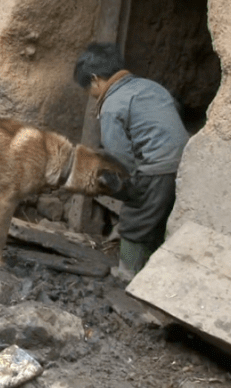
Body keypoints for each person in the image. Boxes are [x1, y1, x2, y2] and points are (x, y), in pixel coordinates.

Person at [73, 42, 191, 282]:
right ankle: (149, 265)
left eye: (88, 90)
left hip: (156, 167)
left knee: (134, 220)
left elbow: (119, 155)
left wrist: (126, 183)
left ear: (95, 80)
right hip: (185, 164)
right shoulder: (149, 87)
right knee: (157, 218)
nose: (90, 95)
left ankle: (127, 273)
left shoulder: (112, 104)